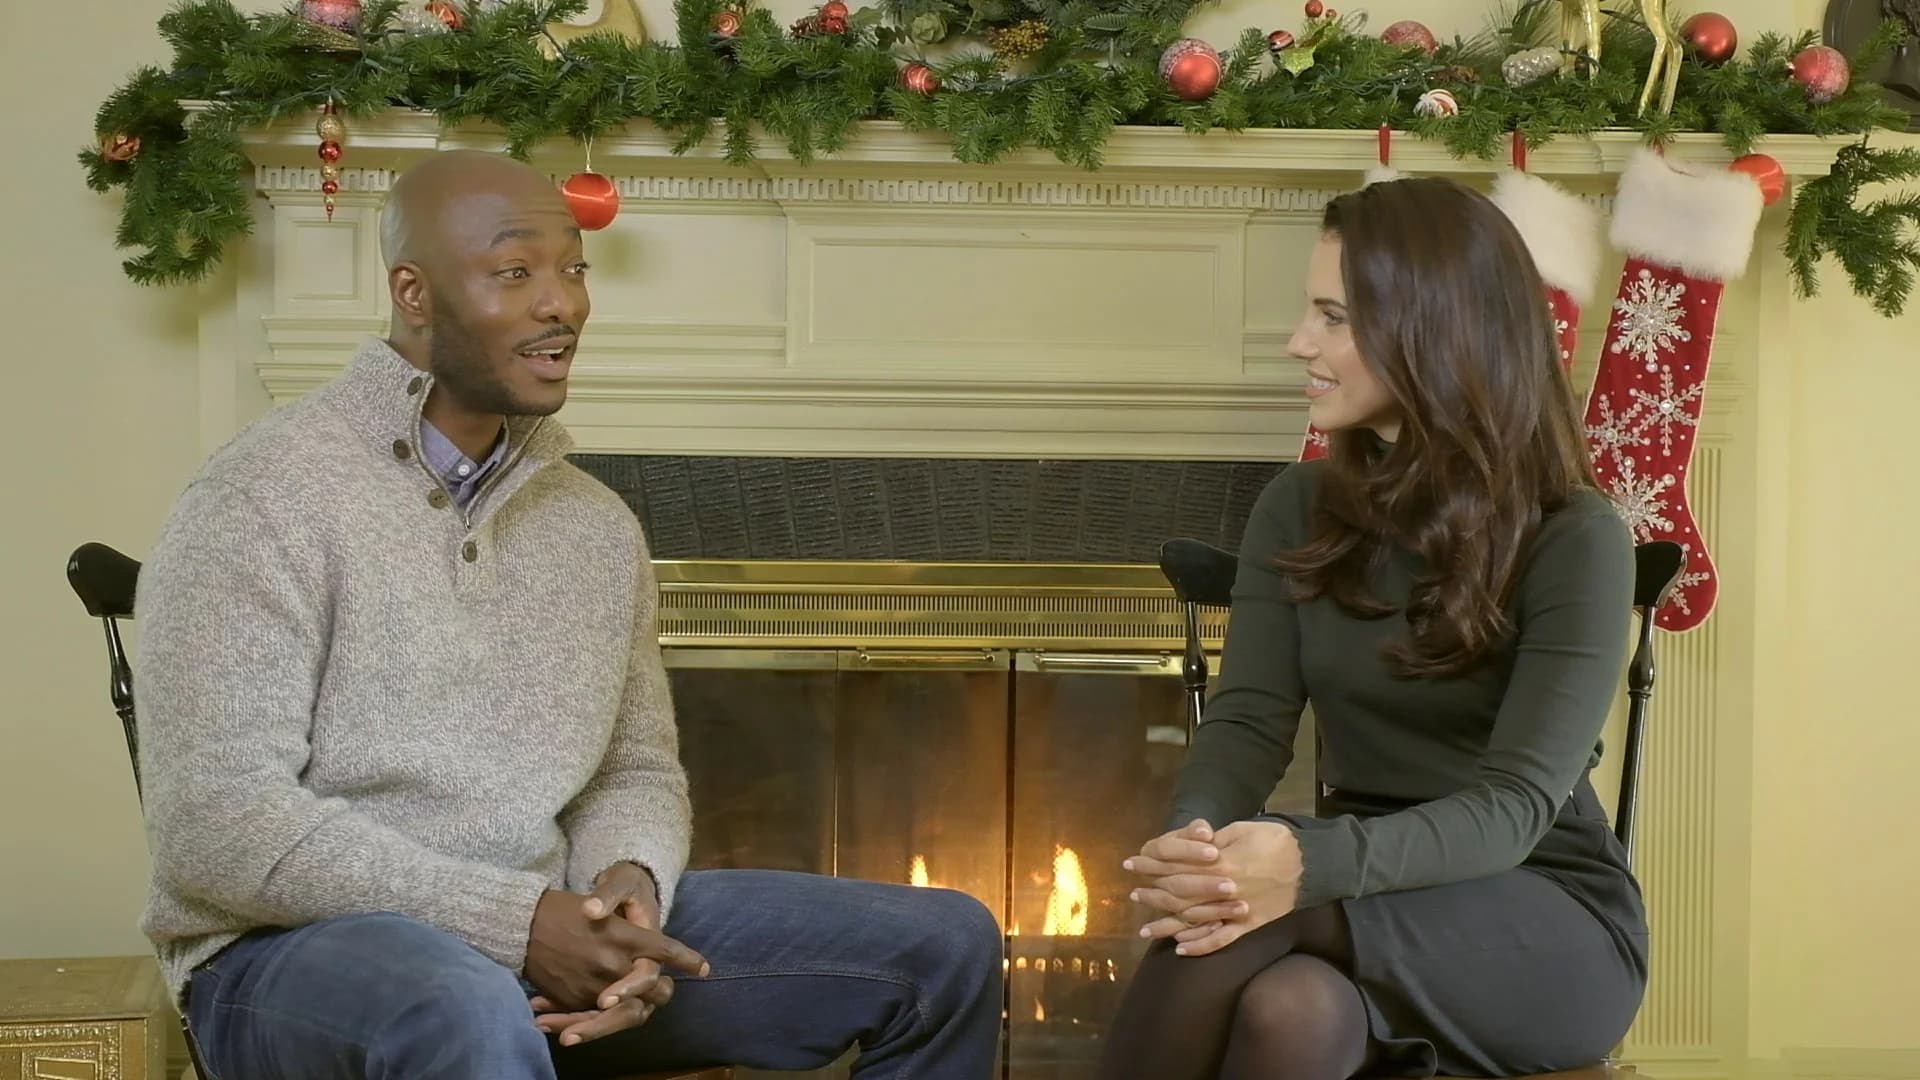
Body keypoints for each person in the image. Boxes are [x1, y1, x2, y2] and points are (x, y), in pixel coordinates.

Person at [133, 149, 1004, 1080]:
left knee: (941, 946)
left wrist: (625, 893)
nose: (564, 304)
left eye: (574, 268)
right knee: (461, 1005)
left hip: (547, 922)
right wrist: (515, 924)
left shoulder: (596, 527)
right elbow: (216, 826)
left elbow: (632, 767)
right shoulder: (260, 497)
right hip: (293, 955)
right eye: (516, 272)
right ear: (414, 294)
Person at [1093, 176, 1647, 1080]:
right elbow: (1247, 723)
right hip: (1358, 889)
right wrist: (1196, 843)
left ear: (1435, 330)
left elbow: (1513, 810)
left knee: (1237, 926)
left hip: (1539, 914)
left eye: (1334, 317)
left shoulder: (1576, 537)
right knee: (1288, 1004)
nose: (1297, 343)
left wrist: (1293, 867)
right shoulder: (1299, 506)